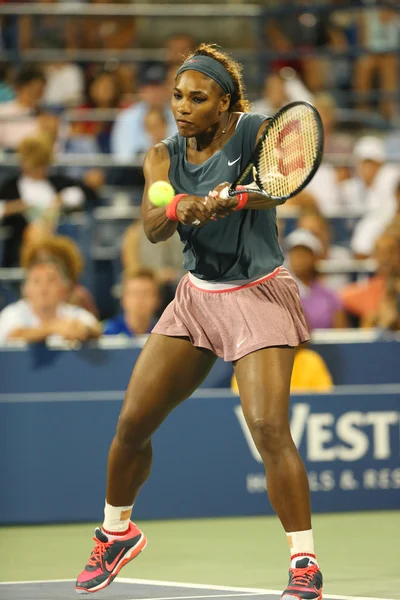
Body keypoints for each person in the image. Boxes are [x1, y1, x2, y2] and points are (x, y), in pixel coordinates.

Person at [76, 43, 323, 600]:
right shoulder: (162, 157)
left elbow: (278, 184)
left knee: (267, 429)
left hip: (259, 294)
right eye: (177, 97)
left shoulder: (257, 130)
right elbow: (152, 227)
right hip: (196, 300)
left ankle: (305, 563)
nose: (182, 108)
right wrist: (178, 206)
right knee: (132, 424)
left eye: (197, 98)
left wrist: (231, 201)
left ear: (226, 105)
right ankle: (116, 533)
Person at [0, 134, 98, 267]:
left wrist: (61, 200)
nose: (38, 170)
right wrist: (14, 207)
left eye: (41, 165)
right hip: (22, 248)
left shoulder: (56, 182)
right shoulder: (10, 187)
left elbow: (87, 192)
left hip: (59, 238)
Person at [0, 238, 101, 344]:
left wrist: (84, 331)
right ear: (25, 288)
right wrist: (52, 327)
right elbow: (12, 335)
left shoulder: (73, 313)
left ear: (64, 288)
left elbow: (95, 329)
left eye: (51, 281)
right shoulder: (12, 313)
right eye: (36, 281)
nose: (43, 289)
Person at [111, 64, 177, 163]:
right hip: (136, 173)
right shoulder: (127, 117)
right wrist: (151, 141)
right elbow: (123, 158)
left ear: (168, 89)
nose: (155, 92)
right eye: (149, 87)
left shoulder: (181, 115)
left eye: (159, 86)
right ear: (140, 91)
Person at [21, 235, 99, 317]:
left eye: (51, 260)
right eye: (39, 261)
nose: (45, 265)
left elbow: (89, 326)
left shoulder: (79, 297)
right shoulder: (22, 307)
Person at [285, 229, 347, 329]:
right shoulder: (281, 293)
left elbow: (341, 331)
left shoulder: (330, 295)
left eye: (304, 254)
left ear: (315, 258)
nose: (298, 259)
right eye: (295, 254)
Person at [340, 231, 400, 328]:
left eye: (391, 251)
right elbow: (340, 298)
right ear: (374, 256)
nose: (386, 258)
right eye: (380, 252)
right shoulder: (365, 290)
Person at [103, 268, 160, 336]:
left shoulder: (164, 333)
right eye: (135, 293)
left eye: (147, 293)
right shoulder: (107, 331)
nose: (140, 299)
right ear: (123, 298)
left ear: (157, 299)